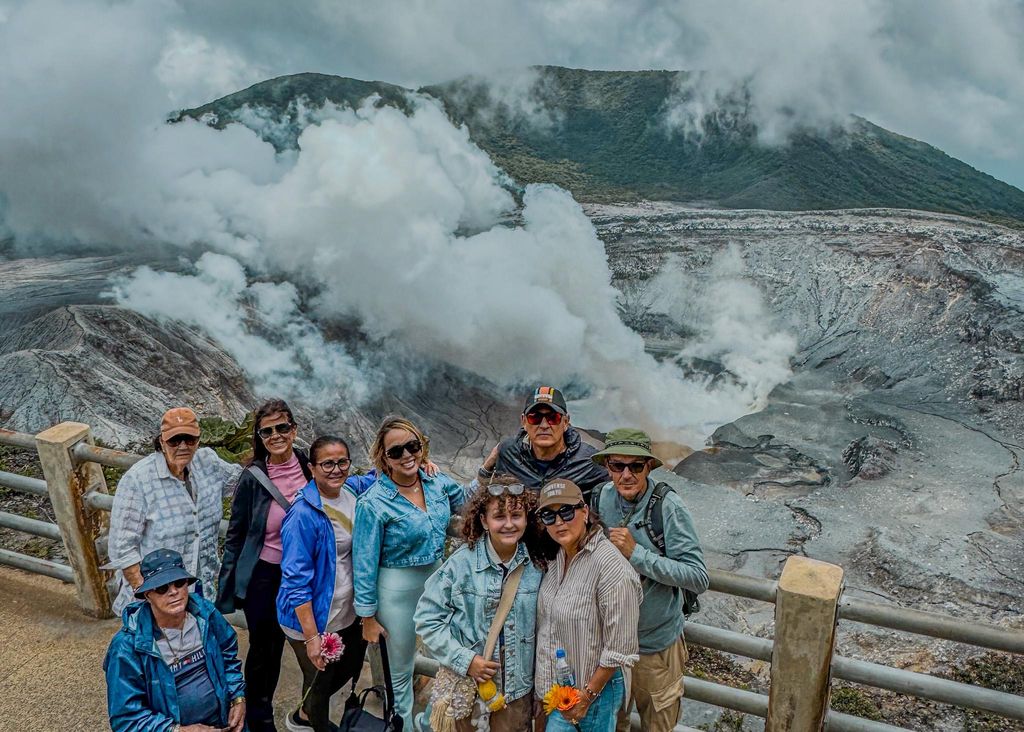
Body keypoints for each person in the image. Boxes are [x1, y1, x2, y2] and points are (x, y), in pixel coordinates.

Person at [353, 416, 468, 728]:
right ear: (383, 457)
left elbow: (469, 503)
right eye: (396, 451)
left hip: (437, 585)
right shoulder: (373, 503)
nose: (406, 455)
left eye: (412, 446)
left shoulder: (436, 483)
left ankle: (431, 721)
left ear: (422, 447)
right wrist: (367, 617)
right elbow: (364, 562)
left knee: (456, 657)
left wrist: (489, 469)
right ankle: (401, 725)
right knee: (400, 671)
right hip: (396, 592)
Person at [591, 429, 709, 732]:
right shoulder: (601, 498)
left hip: (654, 648)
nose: (626, 474)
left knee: (657, 724)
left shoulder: (667, 507)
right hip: (609, 646)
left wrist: (637, 554)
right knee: (610, 723)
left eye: (636, 466)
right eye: (618, 466)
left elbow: (698, 576)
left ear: (649, 467)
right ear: (608, 467)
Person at [414, 474, 546, 732]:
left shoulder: (537, 566)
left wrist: (541, 688)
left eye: (516, 515)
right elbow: (427, 618)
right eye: (499, 516)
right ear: (484, 521)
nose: (509, 524)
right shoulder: (461, 564)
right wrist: (465, 660)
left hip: (516, 694)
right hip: (470, 690)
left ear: (527, 519)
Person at [217, 399, 312, 731]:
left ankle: (309, 712)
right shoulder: (253, 477)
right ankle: (259, 720)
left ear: (293, 429)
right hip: (266, 576)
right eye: (267, 430)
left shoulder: (307, 463)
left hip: (305, 575)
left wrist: (422, 464)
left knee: (311, 647)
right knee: (265, 653)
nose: (276, 435)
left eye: (282, 427)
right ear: (260, 435)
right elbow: (236, 533)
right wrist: (229, 584)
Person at [108, 407, 242, 614]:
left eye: (189, 440)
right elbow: (122, 548)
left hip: (200, 586)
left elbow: (242, 482)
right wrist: (146, 594)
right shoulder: (138, 480)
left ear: (198, 440)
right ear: (161, 441)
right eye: (174, 440)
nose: (182, 446)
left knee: (198, 642)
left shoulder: (208, 463)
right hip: (158, 593)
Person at [534, 479, 641, 732]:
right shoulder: (560, 555)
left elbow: (620, 647)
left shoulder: (611, 567)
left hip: (592, 692)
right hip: (561, 691)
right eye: (549, 516)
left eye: (567, 512)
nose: (559, 521)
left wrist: (587, 697)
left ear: (584, 512)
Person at [277, 435, 368, 732]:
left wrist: (422, 463)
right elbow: (295, 579)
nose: (336, 469)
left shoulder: (351, 492)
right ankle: (311, 722)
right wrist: (312, 636)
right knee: (320, 682)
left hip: (343, 612)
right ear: (312, 468)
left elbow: (379, 474)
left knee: (342, 670)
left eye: (342, 461)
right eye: (327, 463)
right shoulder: (303, 514)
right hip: (311, 619)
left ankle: (304, 714)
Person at [104, 548, 246, 732]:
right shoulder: (126, 647)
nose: (173, 592)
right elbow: (125, 719)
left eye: (179, 583)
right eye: (162, 588)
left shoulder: (206, 614)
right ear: (147, 595)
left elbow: (228, 654)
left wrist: (238, 697)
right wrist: (177, 730)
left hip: (223, 723)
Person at [479, 386, 609, 502]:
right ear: (524, 421)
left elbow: (613, 497)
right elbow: (493, 497)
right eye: (535, 417)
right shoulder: (509, 453)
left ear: (565, 422)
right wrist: (485, 471)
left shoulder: (589, 460)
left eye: (553, 418)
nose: (544, 425)